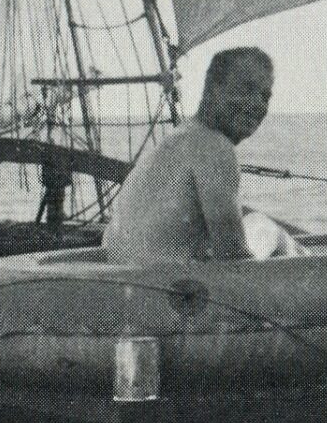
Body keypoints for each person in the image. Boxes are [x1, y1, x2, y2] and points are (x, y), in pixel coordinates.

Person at [103, 47, 273, 264]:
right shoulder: (214, 146)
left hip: (121, 274)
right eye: (246, 89)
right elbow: (233, 260)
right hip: (161, 281)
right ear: (213, 89)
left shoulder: (177, 139)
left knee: (258, 224)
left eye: (265, 97)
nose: (258, 104)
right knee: (267, 228)